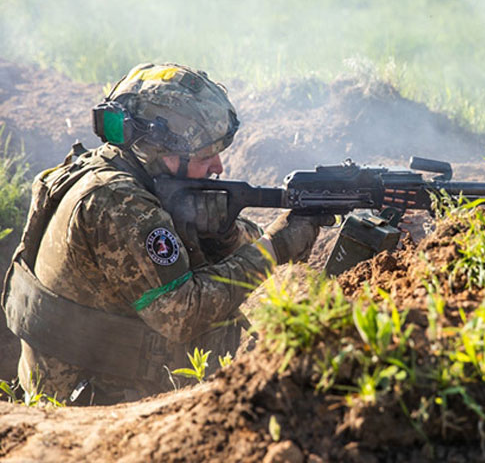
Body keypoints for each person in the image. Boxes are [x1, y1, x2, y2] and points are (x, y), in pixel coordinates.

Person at [2, 63, 326, 405]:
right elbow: (182, 314)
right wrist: (272, 250)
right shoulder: (119, 203)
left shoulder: (102, 169)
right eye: (205, 155)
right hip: (94, 409)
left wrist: (228, 236)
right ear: (159, 151)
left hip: (76, 386)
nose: (218, 167)